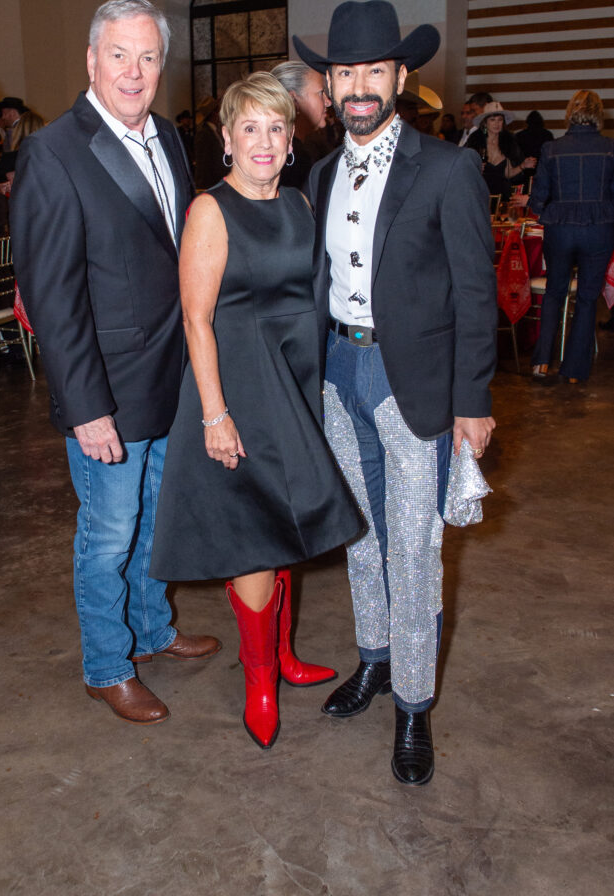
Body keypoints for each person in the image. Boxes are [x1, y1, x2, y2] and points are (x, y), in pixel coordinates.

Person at [294, 0, 497, 786]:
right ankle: (373, 661)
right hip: (338, 377)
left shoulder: (447, 169)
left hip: (414, 386)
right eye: (345, 71)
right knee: (360, 537)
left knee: (413, 550)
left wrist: (471, 401)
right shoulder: (317, 169)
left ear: (400, 76)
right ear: (330, 81)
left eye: (374, 69)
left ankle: (413, 705)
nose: (359, 86)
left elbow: (476, 294)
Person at [10, 0, 221, 726]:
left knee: (154, 522)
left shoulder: (166, 136)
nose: (134, 71)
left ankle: (152, 630)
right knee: (107, 533)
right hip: (107, 389)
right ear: (92, 59)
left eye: (149, 56)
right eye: (120, 55)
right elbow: (52, 295)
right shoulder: (53, 151)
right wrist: (84, 406)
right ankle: (106, 664)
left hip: (170, 379)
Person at [149, 73, 363, 749]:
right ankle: (260, 676)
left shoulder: (300, 205)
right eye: (249, 128)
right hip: (237, 390)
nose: (264, 141)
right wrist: (214, 414)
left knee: (287, 519)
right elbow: (196, 319)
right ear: (226, 140)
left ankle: (286, 654)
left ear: (290, 137)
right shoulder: (211, 211)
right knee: (252, 532)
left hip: (294, 384)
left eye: (276, 127)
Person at [530, 90, 614, 382]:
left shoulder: (551, 149)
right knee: (589, 299)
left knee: (554, 292)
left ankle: (541, 362)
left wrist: (547, 210)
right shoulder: (609, 148)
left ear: (570, 113)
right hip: (599, 228)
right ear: (598, 114)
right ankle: (575, 370)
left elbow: (538, 198)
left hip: (560, 227)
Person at [270, 60, 331, 188]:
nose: (328, 102)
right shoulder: (292, 159)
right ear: (293, 100)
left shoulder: (287, 152)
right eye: (321, 93)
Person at [466, 101, 536, 199]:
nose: (497, 123)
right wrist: (475, 169)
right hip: (480, 195)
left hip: (502, 196)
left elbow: (508, 174)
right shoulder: (475, 141)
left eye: (500, 120)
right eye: (492, 120)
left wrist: (523, 166)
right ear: (485, 123)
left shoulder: (508, 142)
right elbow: (464, 170)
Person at [193, 95, 224, 190]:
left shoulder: (215, 132)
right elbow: (203, 165)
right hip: (211, 186)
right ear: (214, 113)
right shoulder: (204, 134)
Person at [515, 110, 553, 174]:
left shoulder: (519, 135)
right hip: (542, 169)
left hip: (524, 169)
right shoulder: (547, 135)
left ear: (527, 122)